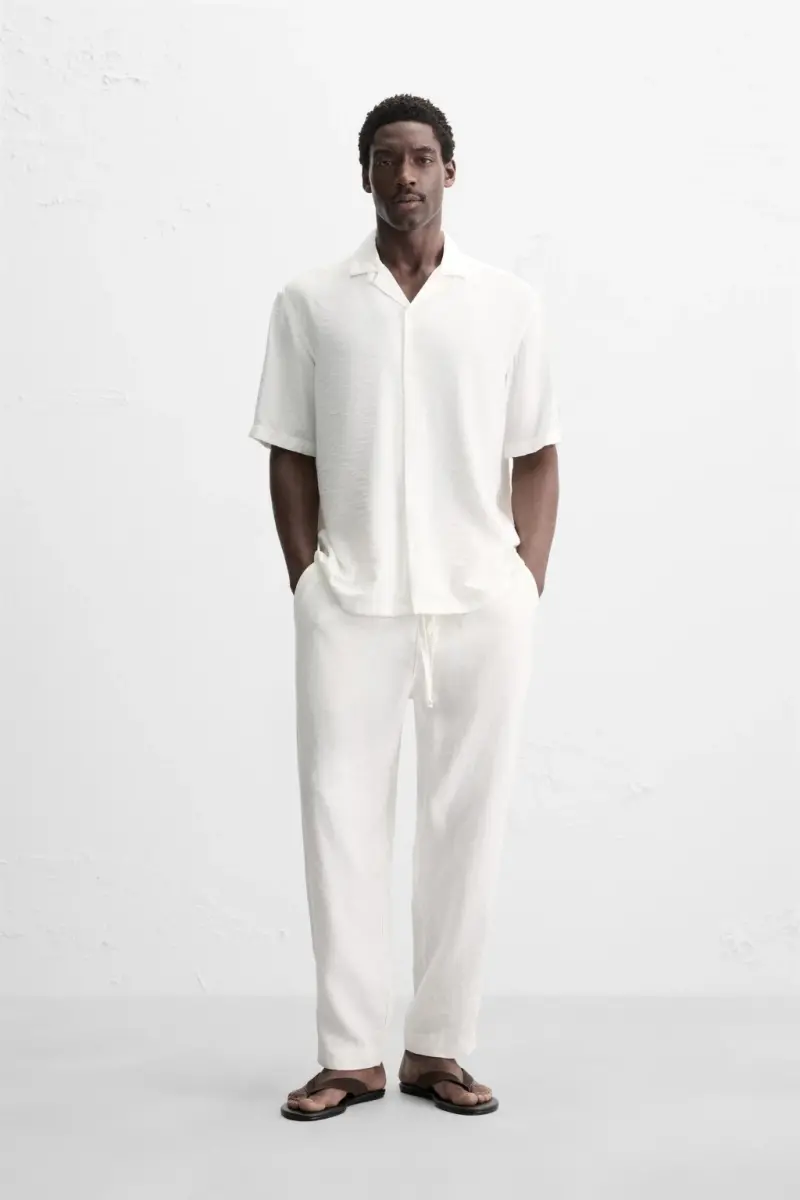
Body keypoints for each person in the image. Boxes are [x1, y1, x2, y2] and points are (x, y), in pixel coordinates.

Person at [249, 94, 561, 1121]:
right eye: (387, 159)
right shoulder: (310, 302)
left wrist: (524, 583)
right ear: (365, 175)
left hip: (479, 603)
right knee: (338, 818)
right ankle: (349, 1056)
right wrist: (307, 581)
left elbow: (536, 451)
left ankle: (438, 1048)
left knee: (466, 825)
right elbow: (289, 449)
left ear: (450, 171)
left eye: (422, 157)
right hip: (352, 599)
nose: (406, 176)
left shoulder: (506, 303)